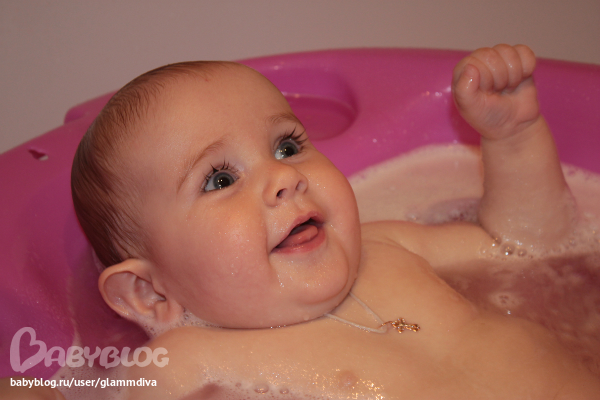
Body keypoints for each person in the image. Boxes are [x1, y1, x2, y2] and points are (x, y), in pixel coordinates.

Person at [4, 44, 597, 399]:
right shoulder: (188, 358)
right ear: (151, 294)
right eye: (220, 179)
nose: (283, 176)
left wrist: (514, 138)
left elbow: (526, 243)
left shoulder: (387, 247)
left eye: (286, 146)